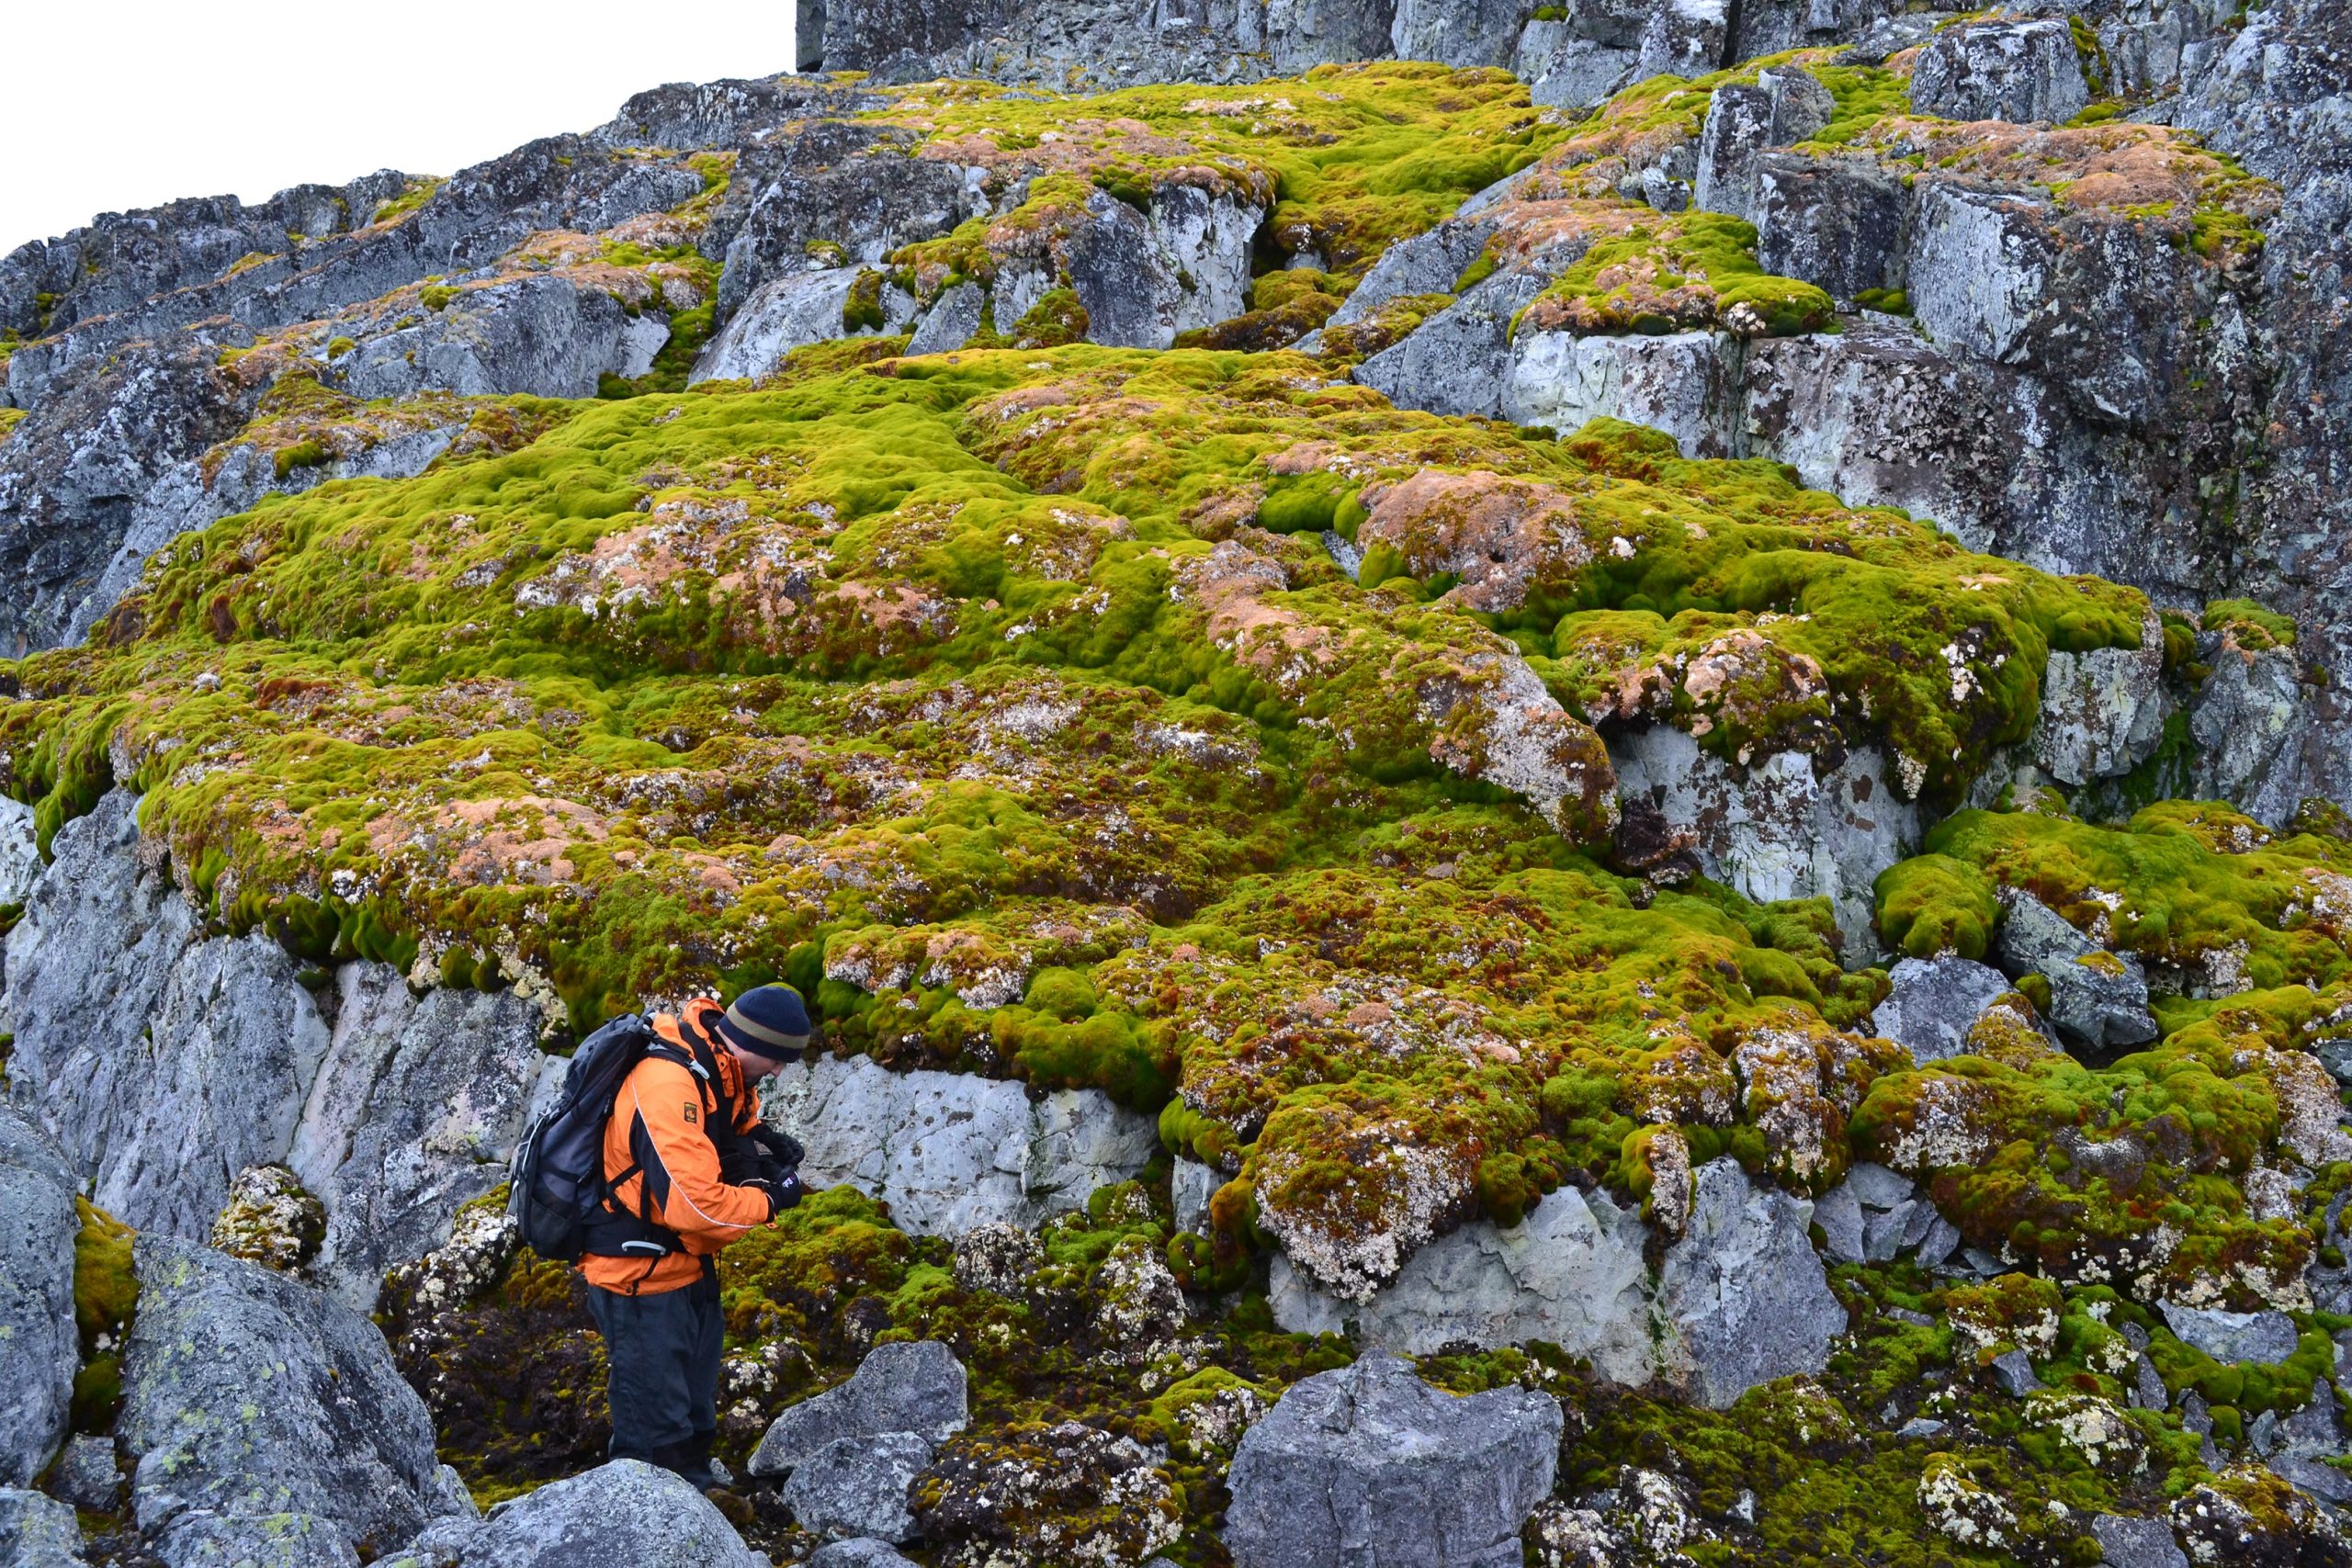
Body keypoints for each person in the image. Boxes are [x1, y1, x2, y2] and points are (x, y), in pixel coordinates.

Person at [579, 982, 812, 1488]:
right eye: (776, 1060)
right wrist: (771, 1200)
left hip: (683, 1262)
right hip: (637, 1272)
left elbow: (726, 1124)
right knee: (653, 1425)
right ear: (753, 1042)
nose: (778, 1071)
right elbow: (694, 1207)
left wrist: (759, 1140)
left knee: (694, 1405)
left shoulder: (718, 1067)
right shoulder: (668, 1084)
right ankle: (645, 1521)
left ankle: (697, 1494)